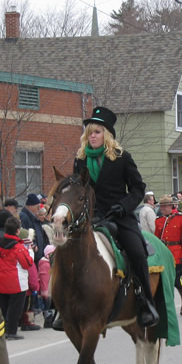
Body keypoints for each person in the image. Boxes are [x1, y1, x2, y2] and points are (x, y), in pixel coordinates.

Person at [72, 106, 159, 327]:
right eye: (90, 132)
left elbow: (138, 189)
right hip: (91, 218)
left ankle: (145, 302)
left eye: (97, 131)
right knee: (65, 251)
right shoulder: (80, 160)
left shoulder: (122, 158)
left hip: (120, 215)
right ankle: (61, 306)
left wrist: (124, 206)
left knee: (137, 252)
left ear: (107, 134)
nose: (92, 135)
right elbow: (77, 190)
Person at [0, 216, 34, 340]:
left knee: (2, 307)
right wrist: (30, 251)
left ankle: (1, 331)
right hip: (16, 282)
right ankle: (11, 331)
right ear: (17, 230)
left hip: (0, 279)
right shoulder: (18, 247)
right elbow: (28, 263)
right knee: (14, 308)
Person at [155, 194, 182, 315]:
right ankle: (166, 306)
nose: (162, 209)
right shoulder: (159, 220)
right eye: (161, 206)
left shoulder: (180, 218)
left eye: (165, 206)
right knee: (163, 281)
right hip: (163, 253)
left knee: (176, 280)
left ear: (171, 206)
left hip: (177, 254)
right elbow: (156, 239)